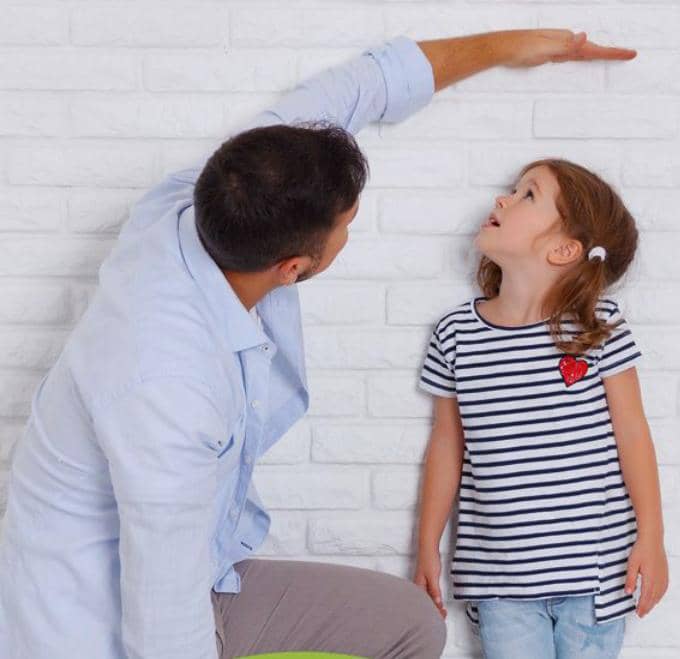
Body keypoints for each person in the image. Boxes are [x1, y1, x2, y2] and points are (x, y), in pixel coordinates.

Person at [0, 27, 638, 659]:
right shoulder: (168, 390)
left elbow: (366, 84)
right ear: (293, 268)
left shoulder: (218, 191)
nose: (349, 231)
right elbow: (160, 618)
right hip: (101, 620)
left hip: (198, 569)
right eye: (346, 226)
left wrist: (511, 47)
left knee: (411, 624)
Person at [414, 158, 670, 658]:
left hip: (596, 576)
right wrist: (427, 543)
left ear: (564, 249)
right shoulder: (456, 334)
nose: (502, 199)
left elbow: (633, 434)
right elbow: (446, 445)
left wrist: (652, 536)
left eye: (527, 195)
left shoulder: (598, 328)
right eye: (514, 190)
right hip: (501, 579)